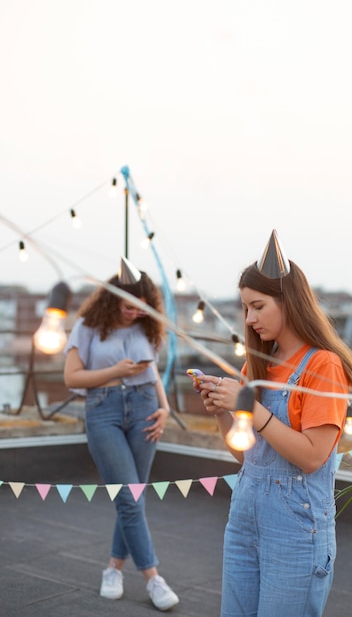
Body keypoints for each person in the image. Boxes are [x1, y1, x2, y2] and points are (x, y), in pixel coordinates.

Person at [195, 230, 352, 617]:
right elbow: (247, 455)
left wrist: (252, 410)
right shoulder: (258, 365)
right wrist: (222, 411)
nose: (249, 319)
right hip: (244, 518)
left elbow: (313, 456)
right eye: (245, 309)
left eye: (258, 306)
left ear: (289, 303)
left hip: (296, 529)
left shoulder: (324, 365)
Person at [64, 257, 179, 612]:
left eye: (141, 308)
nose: (134, 314)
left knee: (132, 497)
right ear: (113, 298)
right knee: (130, 498)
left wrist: (166, 408)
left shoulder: (147, 327)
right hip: (104, 410)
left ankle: (113, 569)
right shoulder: (87, 326)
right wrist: (115, 370)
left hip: (146, 407)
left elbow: (154, 371)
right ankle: (153, 579)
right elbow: (71, 378)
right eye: (129, 306)